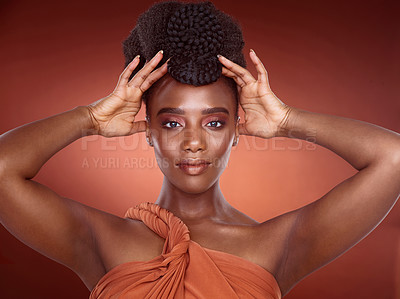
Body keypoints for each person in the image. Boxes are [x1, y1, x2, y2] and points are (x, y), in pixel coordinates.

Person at [0, 1, 399, 298]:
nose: (193, 142)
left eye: (214, 122)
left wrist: (286, 120)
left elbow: (392, 159)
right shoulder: (100, 239)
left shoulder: (279, 245)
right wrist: (89, 118)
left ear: (237, 131)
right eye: (172, 122)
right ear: (149, 130)